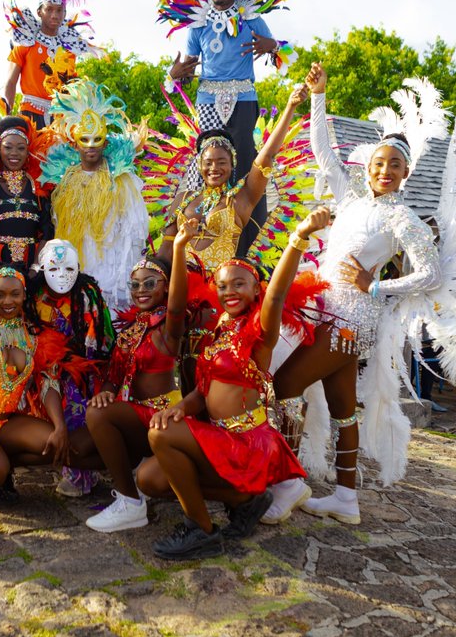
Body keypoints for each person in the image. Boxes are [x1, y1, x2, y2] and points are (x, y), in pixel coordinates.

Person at [269, 64, 443, 524]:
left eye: (395, 166)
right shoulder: (351, 201)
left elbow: (430, 272)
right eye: (379, 163)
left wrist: (378, 284)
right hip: (329, 312)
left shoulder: (401, 217)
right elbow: (322, 151)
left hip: (352, 321)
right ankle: (346, 499)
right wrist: (318, 96)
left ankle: (285, 483)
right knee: (343, 406)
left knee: (284, 385)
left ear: (406, 173)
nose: (385, 171)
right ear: (368, 168)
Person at [135, 209, 326, 560]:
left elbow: (277, 295)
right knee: (150, 479)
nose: (229, 291)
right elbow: (204, 391)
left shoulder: (260, 334)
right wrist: (179, 408)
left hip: (246, 443)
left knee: (160, 436)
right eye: (222, 286)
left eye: (239, 283)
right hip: (219, 436)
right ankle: (244, 502)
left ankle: (201, 529)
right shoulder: (220, 332)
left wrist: (299, 237)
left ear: (256, 289)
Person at [0, 195, 102, 511]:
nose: (8, 300)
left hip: (6, 421)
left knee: (53, 444)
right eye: (0, 294)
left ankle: (2, 463)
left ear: (25, 293)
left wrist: (58, 425)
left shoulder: (35, 332)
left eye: (15, 293)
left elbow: (49, 381)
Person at [160, 0, 294, 255]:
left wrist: (271, 46)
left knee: (246, 168)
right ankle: (194, 233)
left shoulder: (252, 19)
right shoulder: (198, 25)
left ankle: (244, 245)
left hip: (243, 99)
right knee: (207, 163)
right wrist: (173, 77)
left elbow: (286, 56)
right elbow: (184, 69)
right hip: (207, 99)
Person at [84, 254, 186, 533]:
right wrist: (105, 391)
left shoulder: (169, 326)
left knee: (98, 415)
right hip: (137, 417)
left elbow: (177, 307)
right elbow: (114, 375)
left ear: (166, 287)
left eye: (149, 283)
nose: (141, 290)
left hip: (164, 417)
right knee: (78, 448)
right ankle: (137, 469)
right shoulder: (131, 328)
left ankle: (130, 502)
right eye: (135, 285)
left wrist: (179, 247)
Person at [157, 84, 306, 272]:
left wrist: (290, 107)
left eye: (221, 162)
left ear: (232, 164)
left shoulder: (240, 200)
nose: (214, 168)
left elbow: (267, 155)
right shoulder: (183, 199)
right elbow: (165, 252)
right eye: (208, 162)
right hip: (181, 290)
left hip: (221, 291)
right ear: (199, 165)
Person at [40, 80, 149, 313]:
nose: (90, 146)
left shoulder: (120, 179)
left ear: (105, 141)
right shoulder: (65, 181)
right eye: (84, 140)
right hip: (75, 266)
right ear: (75, 144)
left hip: (111, 265)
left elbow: (134, 231)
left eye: (96, 139)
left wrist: (124, 275)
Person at [29, 239, 114, 497]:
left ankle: (84, 464)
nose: (61, 276)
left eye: (68, 269)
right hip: (44, 369)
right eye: (54, 269)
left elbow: (104, 339)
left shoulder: (88, 295)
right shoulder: (32, 298)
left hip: (85, 368)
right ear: (42, 269)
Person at [3, 0, 101, 128]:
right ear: (40, 11)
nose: (54, 15)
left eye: (59, 10)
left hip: (60, 118)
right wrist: (6, 114)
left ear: (65, 13)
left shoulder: (69, 46)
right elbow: (10, 81)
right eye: (50, 9)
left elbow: (70, 86)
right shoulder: (26, 40)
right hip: (29, 114)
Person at [0, 115, 54, 292]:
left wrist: (35, 268)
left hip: (32, 267)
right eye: (8, 147)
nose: (14, 153)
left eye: (21, 148)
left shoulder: (39, 183)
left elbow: (47, 230)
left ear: (28, 151)